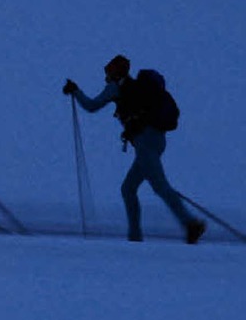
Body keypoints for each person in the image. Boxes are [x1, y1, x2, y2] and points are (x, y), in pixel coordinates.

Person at [63, 54, 206, 244]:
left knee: (160, 187)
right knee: (128, 188)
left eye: (109, 69)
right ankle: (135, 237)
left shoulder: (116, 87)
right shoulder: (135, 87)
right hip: (155, 140)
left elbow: (91, 106)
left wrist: (75, 91)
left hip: (145, 142)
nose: (107, 73)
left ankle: (191, 224)